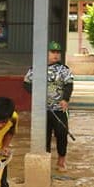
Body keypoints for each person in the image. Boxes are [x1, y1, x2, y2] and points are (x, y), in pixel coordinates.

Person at [23, 40, 74, 172]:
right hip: (42, 110)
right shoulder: (36, 68)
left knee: (62, 133)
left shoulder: (64, 70)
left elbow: (69, 84)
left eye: (58, 52)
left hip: (59, 109)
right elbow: (26, 83)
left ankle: (61, 160)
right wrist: (36, 93)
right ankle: (43, 163)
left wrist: (65, 99)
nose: (55, 55)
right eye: (52, 52)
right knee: (43, 136)